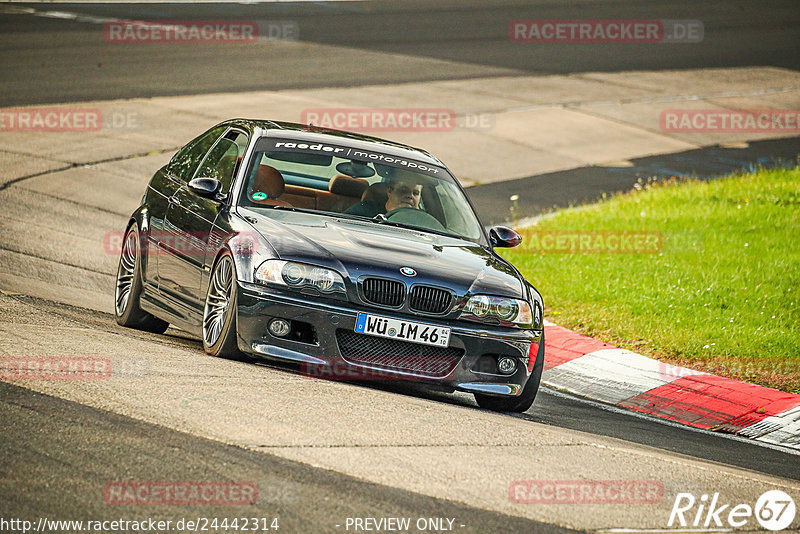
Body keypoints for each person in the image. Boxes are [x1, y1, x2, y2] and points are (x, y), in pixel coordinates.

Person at [345, 170, 423, 217]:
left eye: (415, 193)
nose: (410, 196)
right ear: (390, 191)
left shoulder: (424, 222)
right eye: (403, 190)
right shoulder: (363, 210)